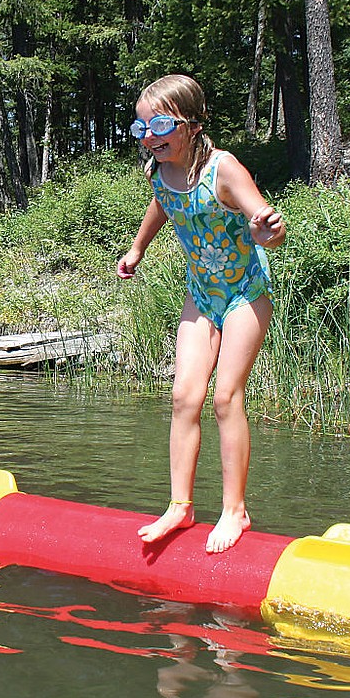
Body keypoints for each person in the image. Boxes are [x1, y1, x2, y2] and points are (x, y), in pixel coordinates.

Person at [117, 74, 286, 554]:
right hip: (201, 292)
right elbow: (162, 205)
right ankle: (180, 506)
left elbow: (266, 222)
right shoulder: (158, 171)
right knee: (183, 396)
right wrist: (137, 249)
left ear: (192, 124)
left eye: (161, 125)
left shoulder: (223, 168)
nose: (150, 137)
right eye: (141, 128)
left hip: (244, 293)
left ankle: (235, 510)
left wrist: (266, 229)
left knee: (225, 398)